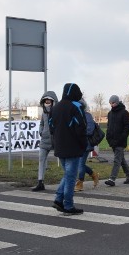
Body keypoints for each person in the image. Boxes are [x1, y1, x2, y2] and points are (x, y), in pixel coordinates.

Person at [50, 83, 86, 215]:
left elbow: (51, 128)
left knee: (68, 175)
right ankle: (68, 205)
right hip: (73, 147)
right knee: (71, 177)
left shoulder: (55, 108)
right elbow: (81, 128)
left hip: (60, 147)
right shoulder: (76, 106)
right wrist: (83, 144)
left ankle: (59, 199)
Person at [104, 95, 129, 186]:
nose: (111, 105)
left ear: (117, 102)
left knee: (117, 160)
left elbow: (128, 127)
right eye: (110, 103)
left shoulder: (124, 113)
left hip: (120, 141)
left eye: (113, 103)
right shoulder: (110, 114)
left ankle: (112, 179)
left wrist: (122, 137)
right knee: (121, 159)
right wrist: (108, 137)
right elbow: (109, 127)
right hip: (112, 141)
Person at [32, 90, 57, 191]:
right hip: (44, 140)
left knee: (64, 161)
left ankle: (68, 181)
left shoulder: (57, 111)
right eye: (46, 101)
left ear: (53, 102)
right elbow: (42, 123)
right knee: (41, 160)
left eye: (49, 101)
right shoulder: (44, 113)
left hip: (55, 140)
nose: (47, 103)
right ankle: (40, 182)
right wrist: (40, 131)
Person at [75, 99, 100, 192]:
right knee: (79, 164)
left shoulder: (87, 115)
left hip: (85, 144)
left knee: (80, 164)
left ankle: (79, 183)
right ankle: (94, 174)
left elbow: (90, 130)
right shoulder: (75, 116)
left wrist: (78, 133)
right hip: (77, 144)